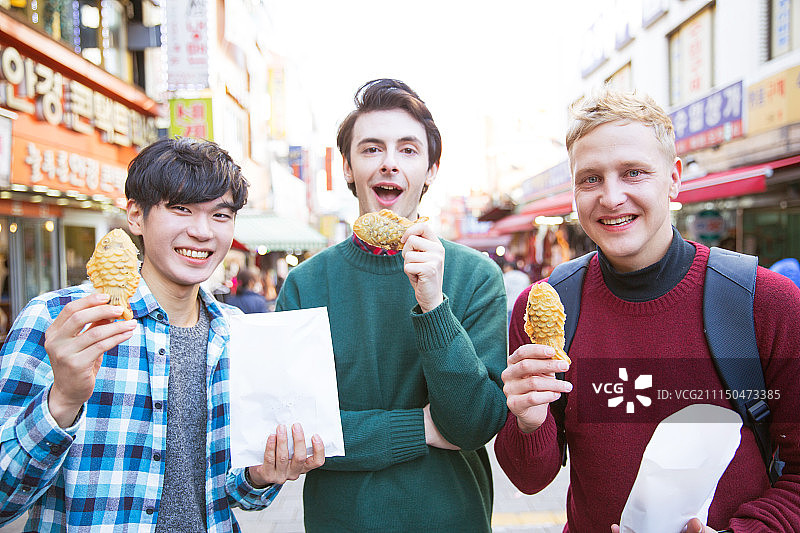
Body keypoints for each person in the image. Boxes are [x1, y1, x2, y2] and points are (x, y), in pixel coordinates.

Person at [494, 87, 800, 532]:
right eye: (590, 178)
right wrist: (526, 419)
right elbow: (530, 479)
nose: (611, 197)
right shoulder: (546, 305)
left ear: (674, 177)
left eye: (633, 172)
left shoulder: (765, 303)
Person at [0, 137, 325, 531]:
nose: (202, 232)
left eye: (220, 215)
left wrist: (262, 475)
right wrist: (62, 401)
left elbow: (233, 494)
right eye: (181, 209)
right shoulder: (60, 322)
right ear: (135, 215)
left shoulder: (238, 335)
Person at [275, 79, 508, 532]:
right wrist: (419, 429)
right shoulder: (306, 284)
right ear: (347, 168)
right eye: (371, 149)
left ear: (431, 168)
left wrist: (433, 302)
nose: (388, 164)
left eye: (407, 150)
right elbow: (297, 430)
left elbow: (474, 425)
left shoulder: (477, 277)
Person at [502, 259, 530, 323]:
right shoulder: (524, 276)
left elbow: (504, 291)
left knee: (509, 325)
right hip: (522, 305)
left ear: (510, 267)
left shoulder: (505, 276)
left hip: (510, 305)